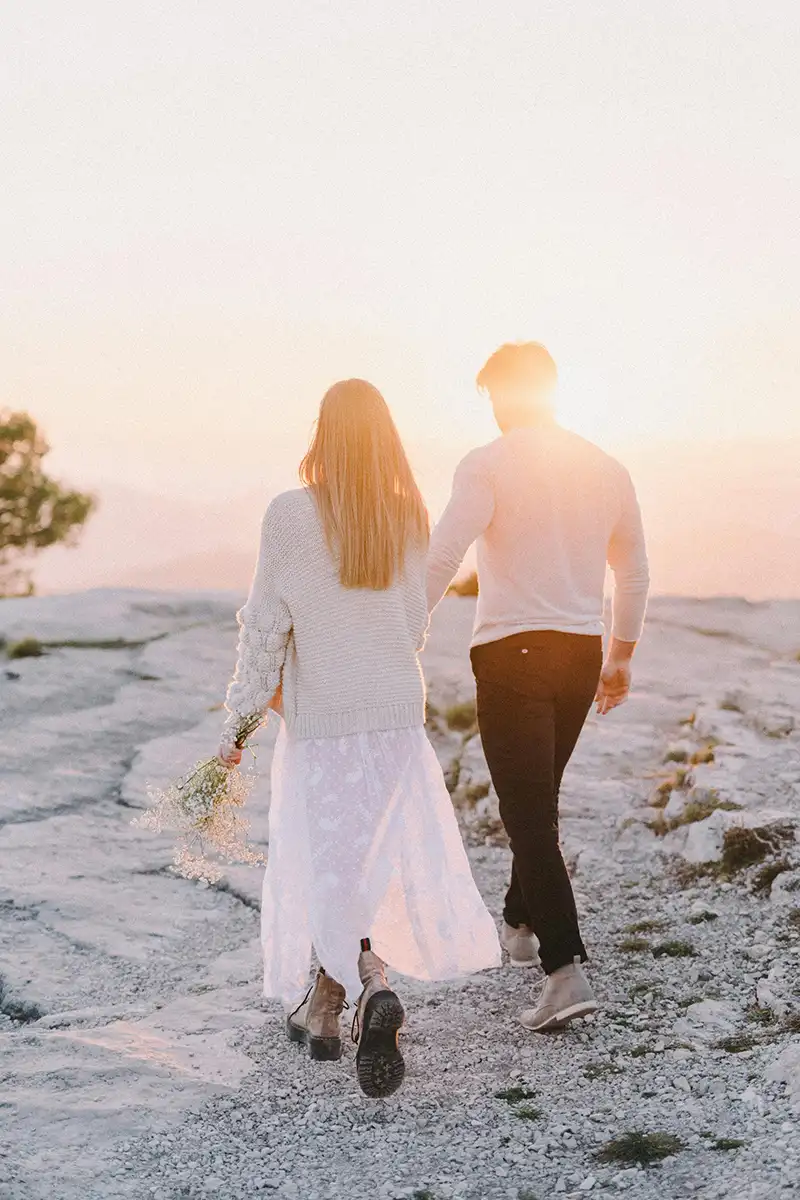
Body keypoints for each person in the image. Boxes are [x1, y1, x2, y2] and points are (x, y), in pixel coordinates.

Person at [218, 379, 500, 1098]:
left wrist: (238, 727)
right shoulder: (406, 515)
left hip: (327, 724)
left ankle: (369, 986)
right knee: (358, 865)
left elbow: (264, 629)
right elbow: (411, 625)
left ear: (323, 434)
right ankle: (323, 1009)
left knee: (328, 866)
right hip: (395, 719)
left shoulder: (289, 514)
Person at [427, 342, 650, 1032]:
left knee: (527, 814)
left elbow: (443, 553)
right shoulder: (606, 466)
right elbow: (634, 572)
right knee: (537, 800)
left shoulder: (486, 463)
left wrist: (401, 632)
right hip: (580, 654)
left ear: (500, 394)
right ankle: (520, 925)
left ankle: (564, 970)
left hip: (511, 654)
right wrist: (619, 657)